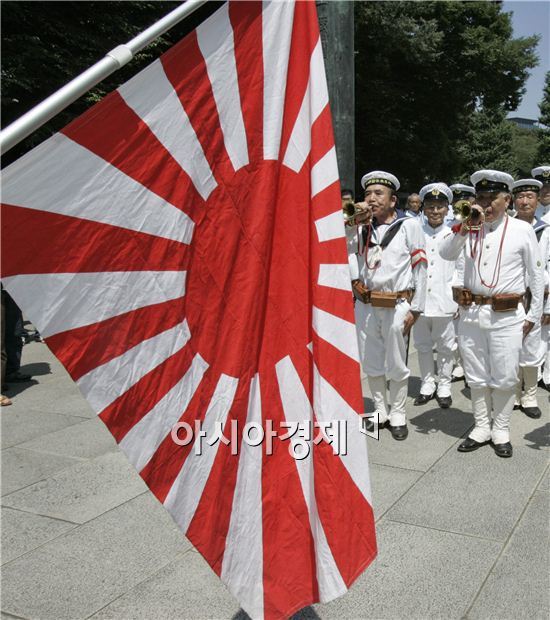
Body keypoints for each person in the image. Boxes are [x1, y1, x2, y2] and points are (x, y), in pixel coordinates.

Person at [440, 170, 544, 458]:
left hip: (507, 315)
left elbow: (536, 277)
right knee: (476, 376)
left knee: (505, 376)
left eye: (492, 198)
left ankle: (501, 428)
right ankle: (481, 426)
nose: (485, 204)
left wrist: (532, 316)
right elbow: (446, 253)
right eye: (481, 197)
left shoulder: (521, 230)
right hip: (472, 313)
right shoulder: (470, 226)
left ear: (506, 199)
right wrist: (463, 226)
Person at [350, 171, 427, 440]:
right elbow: (345, 255)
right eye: (368, 194)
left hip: (397, 303)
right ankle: (379, 411)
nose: (371, 199)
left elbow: (421, 268)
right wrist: (351, 223)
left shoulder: (409, 225)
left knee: (396, 362)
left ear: (393, 200)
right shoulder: (359, 226)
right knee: (371, 360)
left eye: (378, 194)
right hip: (366, 303)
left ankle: (398, 413)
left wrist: (417, 307)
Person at [412, 183, 457, 409]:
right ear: (423, 209)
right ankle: (427, 384)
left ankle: (445, 385)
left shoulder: (454, 234)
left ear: (447, 209)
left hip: (445, 300)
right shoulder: (415, 233)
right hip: (419, 301)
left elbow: (461, 268)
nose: (435, 211)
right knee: (422, 345)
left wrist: (457, 298)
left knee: (447, 346)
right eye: (431, 206)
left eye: (440, 207)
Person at [512, 178, 548, 418]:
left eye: (530, 197)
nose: (525, 202)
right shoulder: (506, 226)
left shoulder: (546, 229)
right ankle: (513, 392)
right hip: (510, 298)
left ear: (538, 200)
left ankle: (530, 395)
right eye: (521, 197)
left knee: (533, 349)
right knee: (508, 348)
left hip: (537, 296)